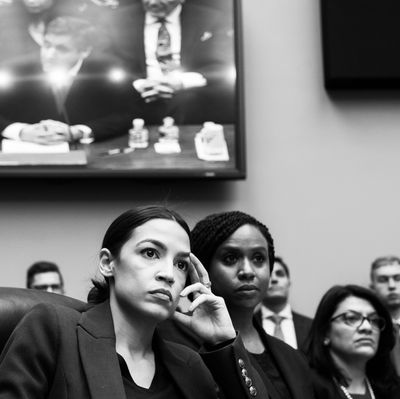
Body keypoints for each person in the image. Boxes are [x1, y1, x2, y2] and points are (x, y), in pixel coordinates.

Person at [0, 206, 268, 399]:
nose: (168, 274)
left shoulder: (189, 364)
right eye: (150, 253)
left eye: (181, 264)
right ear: (108, 263)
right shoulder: (53, 328)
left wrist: (222, 344)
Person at [160, 210, 315, 398]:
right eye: (230, 258)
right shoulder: (169, 343)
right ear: (201, 269)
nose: (248, 271)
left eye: (258, 258)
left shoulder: (294, 358)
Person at [0, 15, 137, 144]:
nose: (49, 54)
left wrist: (78, 131)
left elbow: (126, 114)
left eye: (62, 49)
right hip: (23, 152)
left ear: (85, 51)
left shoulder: (107, 70)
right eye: (47, 45)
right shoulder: (15, 70)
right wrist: (20, 131)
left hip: (88, 153)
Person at [99, 0, 235, 124]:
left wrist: (182, 82)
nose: (152, 2)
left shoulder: (211, 19)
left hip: (191, 100)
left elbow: (221, 65)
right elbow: (108, 61)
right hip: (134, 97)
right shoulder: (115, 20)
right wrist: (139, 84)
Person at [306, 284, 400, 399]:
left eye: (374, 320)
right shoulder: (305, 386)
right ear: (325, 333)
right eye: (351, 318)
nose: (367, 327)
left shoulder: (391, 389)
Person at [255, 256, 312, 351]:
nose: (274, 279)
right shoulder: (247, 326)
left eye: (280, 274)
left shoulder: (311, 327)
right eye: (268, 275)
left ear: (289, 282)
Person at [370, 255, 400, 375]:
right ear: (372, 288)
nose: (392, 286)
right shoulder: (367, 330)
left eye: (398, 278)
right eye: (383, 280)